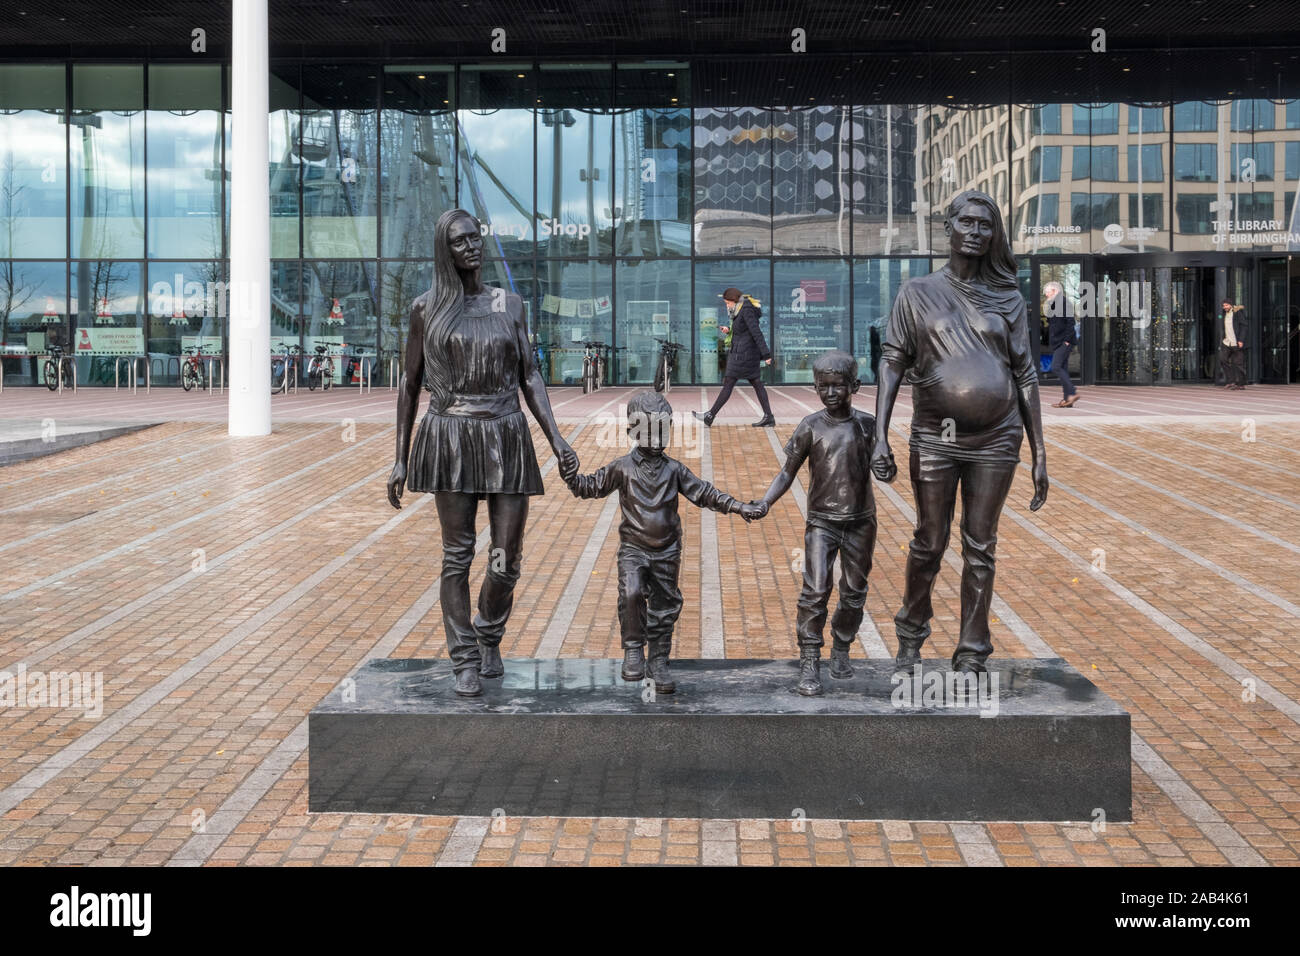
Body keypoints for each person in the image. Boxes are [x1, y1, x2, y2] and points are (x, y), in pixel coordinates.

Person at [388, 208, 578, 698]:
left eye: (476, 237)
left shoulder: (509, 305)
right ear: (444, 250)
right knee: (457, 556)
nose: (472, 246)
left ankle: (489, 631)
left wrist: (556, 439)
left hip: (506, 433)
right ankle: (465, 658)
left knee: (506, 558)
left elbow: (530, 375)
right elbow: (409, 386)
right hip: (450, 435)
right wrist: (400, 456)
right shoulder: (425, 309)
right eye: (460, 241)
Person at [871, 189, 1048, 675]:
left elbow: (1026, 374)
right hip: (935, 436)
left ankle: (972, 650)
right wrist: (880, 435)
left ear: (994, 235)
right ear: (948, 228)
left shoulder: (1008, 297)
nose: (975, 232)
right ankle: (911, 631)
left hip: (997, 437)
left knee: (981, 544)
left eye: (985, 225)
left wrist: (1039, 453)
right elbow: (892, 362)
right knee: (929, 540)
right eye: (966, 222)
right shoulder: (916, 293)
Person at [566, 390, 763, 694]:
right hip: (633, 548)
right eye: (649, 430)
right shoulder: (622, 467)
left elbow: (705, 493)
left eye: (663, 430)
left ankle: (659, 659)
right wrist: (570, 474)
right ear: (633, 430)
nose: (657, 438)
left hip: (668, 550)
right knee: (631, 592)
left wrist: (739, 506)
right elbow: (589, 486)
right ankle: (633, 648)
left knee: (664, 605)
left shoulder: (675, 470)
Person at [751, 349, 877, 697]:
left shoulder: (867, 425)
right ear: (815, 387)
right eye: (824, 387)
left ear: (855, 385)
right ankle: (809, 658)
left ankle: (841, 646)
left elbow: (887, 469)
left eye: (839, 386)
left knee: (853, 594)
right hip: (821, 522)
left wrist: (887, 467)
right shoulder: (810, 427)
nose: (831, 393)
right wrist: (765, 502)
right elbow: (786, 473)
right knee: (815, 591)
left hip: (860, 523)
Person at [694, 287, 775, 427]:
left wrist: (766, 354)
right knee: (756, 383)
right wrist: (729, 331)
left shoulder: (746, 311)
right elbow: (743, 331)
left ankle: (710, 415)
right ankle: (769, 417)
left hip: (744, 355)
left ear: (734, 300)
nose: (727, 306)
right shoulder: (739, 311)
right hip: (743, 353)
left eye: (727, 303)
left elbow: (756, 332)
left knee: (729, 382)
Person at [1044, 280, 1079, 407]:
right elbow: (1052, 322)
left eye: (1047, 292)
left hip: (1065, 342)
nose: (1046, 295)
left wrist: (1066, 341)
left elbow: (1071, 323)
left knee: (1056, 367)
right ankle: (1067, 400)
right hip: (1058, 342)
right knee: (1062, 368)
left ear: (1055, 291)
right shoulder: (1054, 304)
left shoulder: (1064, 303)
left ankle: (1072, 392)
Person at [1218, 300, 1247, 390]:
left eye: (1226, 305)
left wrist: (1241, 340)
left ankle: (1241, 384)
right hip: (1226, 342)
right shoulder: (1224, 314)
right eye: (1223, 305)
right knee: (1223, 360)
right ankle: (1231, 381)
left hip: (1236, 342)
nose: (1225, 307)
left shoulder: (1237, 313)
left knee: (1238, 363)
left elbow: (1243, 326)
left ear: (1230, 305)